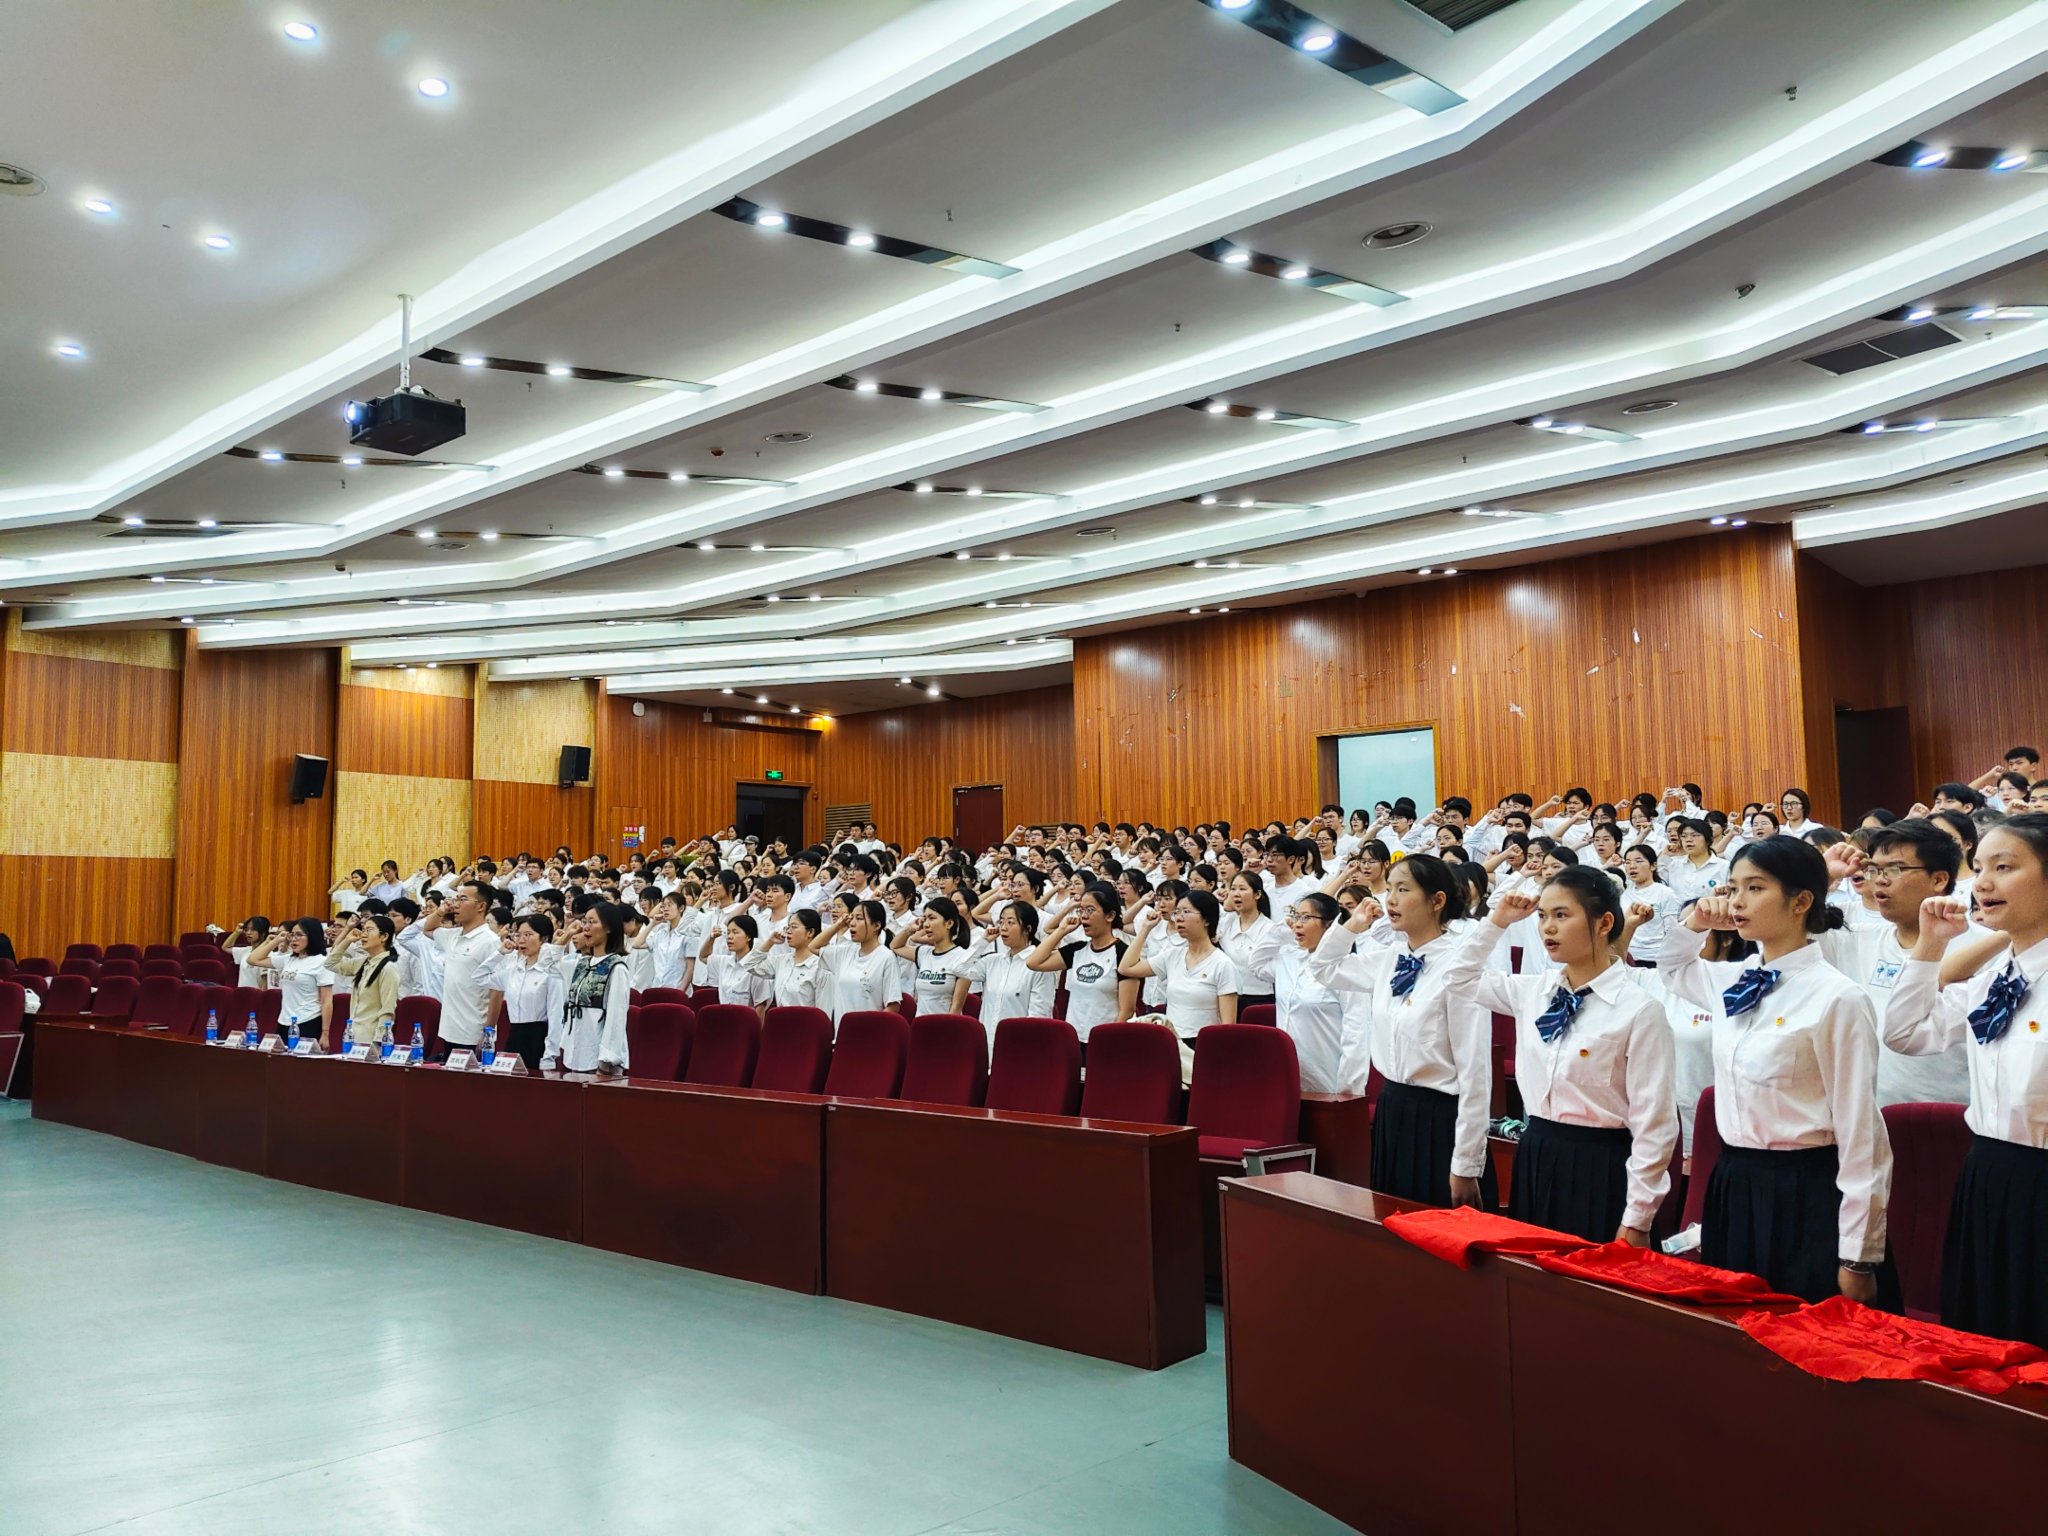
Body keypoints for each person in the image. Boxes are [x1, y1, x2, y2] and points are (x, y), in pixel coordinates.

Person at [1658, 837, 1896, 1306]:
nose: (1737, 901)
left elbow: (1861, 1133)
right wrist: (1696, 923)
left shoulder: (1838, 997)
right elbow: (1671, 967)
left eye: (1755, 888)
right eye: (1732, 888)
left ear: (1801, 902)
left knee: (1805, 1332)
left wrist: (1858, 1255)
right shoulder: (1733, 979)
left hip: (1805, 1191)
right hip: (1734, 1181)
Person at [1442, 869, 1677, 1244]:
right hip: (1537, 1154)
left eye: (1561, 915)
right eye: (1542, 916)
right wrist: (1497, 920)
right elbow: (1457, 978)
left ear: (1604, 923)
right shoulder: (1534, 992)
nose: (1547, 928)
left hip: (1602, 1168)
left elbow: (1655, 1125)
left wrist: (1638, 1218)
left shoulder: (1639, 1010)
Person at [1883, 813, 2048, 1346]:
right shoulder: (1995, 978)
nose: (1982, 883)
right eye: (1978, 868)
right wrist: (1931, 944)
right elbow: (1905, 1033)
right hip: (1987, 1177)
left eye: (2005, 867)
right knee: (1987, 1340)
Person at [1310, 854, 1495, 1208]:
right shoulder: (1390, 958)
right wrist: (1352, 926)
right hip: (1394, 1108)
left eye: (1403, 889)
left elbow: (1476, 1075)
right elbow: (1324, 969)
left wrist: (1466, 1162)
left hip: (1441, 1118)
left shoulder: (1460, 969)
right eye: (1390, 889)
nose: (1390, 899)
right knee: (1393, 1221)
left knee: (1441, 1226)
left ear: (1437, 901)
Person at [1816, 819, 1971, 1107]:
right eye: (1874, 869)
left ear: (1939, 880)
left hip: (1954, 1115)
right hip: (1872, 1114)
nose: (1880, 880)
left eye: (1894, 869)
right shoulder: (1859, 939)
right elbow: (1788, 935)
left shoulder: (1982, 947)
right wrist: (1823, 876)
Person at [396, 878, 502, 1062]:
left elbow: (497, 991)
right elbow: (428, 929)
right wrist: (440, 911)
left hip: (473, 1031)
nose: (457, 904)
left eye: (463, 899)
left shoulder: (490, 941)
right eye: (456, 899)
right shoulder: (452, 936)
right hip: (450, 1028)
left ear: (481, 906)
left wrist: (488, 1031)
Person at [1118, 888, 1239, 1042]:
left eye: (1186, 912)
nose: (1179, 918)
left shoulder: (1222, 964)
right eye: (1177, 913)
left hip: (1203, 1043)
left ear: (1207, 920)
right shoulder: (1173, 955)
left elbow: (1228, 1026)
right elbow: (1126, 968)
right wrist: (1145, 929)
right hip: (1171, 1041)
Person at [1025, 886, 1136, 1044]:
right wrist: (1062, 930)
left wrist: (1108, 1040)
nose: (1084, 916)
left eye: (1090, 910)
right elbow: (1033, 962)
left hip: (1105, 1040)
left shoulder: (1124, 953)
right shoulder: (1077, 950)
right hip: (1073, 1039)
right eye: (1081, 910)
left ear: (1110, 916)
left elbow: (1127, 1010)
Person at [542, 903, 629, 1076]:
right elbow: (546, 964)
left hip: (598, 1058)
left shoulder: (616, 967)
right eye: (584, 922)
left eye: (592, 922)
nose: (585, 927)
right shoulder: (581, 963)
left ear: (609, 928)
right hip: (575, 1051)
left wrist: (606, 1061)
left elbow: (616, 1017)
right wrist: (567, 934)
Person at [966, 899, 1057, 1042]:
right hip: (987, 1042)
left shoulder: (1039, 967)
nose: (1003, 928)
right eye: (1001, 922)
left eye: (1010, 922)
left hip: (1018, 1045)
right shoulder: (993, 961)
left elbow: (1038, 1017)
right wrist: (984, 941)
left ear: (1027, 929)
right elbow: (960, 969)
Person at [487, 913, 567, 1072]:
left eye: (528, 935)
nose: (521, 940)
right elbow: (479, 977)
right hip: (514, 1036)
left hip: (538, 1039)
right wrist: (499, 953)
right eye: (518, 935)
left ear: (544, 938)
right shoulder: (514, 970)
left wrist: (550, 1055)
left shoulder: (551, 972)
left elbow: (556, 1015)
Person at [800, 898, 899, 1023]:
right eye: (851, 918)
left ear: (876, 926)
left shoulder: (886, 957)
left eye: (859, 918)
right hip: (843, 1030)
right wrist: (838, 925)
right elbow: (813, 947)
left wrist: (874, 1028)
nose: (852, 923)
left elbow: (893, 1005)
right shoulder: (845, 952)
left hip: (870, 1030)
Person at [246, 917, 337, 1048]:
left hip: (308, 1020)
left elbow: (326, 1000)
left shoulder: (322, 963)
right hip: (284, 1020)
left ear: (312, 937)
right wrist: (276, 940)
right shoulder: (288, 960)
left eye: (299, 935)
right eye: (292, 935)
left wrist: (325, 1033)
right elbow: (252, 959)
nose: (294, 939)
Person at [325, 913, 401, 1048]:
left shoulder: (388, 968)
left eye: (369, 930)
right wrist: (348, 940)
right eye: (363, 930)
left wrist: (379, 1042)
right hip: (353, 1035)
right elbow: (330, 964)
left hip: (371, 1040)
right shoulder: (362, 962)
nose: (363, 935)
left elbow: (388, 1009)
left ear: (384, 936)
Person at [895, 897, 977, 1017]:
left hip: (945, 1024)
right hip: (921, 1023)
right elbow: (895, 946)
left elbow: (956, 1008)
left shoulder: (963, 958)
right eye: (925, 919)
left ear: (949, 923)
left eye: (932, 918)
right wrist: (910, 929)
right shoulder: (924, 953)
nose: (926, 924)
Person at [741, 908, 825, 1011]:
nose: (788, 932)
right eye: (787, 928)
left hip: (807, 1020)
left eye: (794, 927)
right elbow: (750, 965)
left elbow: (823, 1011)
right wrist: (770, 942)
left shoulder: (820, 966)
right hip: (782, 1019)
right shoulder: (782, 960)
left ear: (810, 932)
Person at [1217, 872, 1278, 1012]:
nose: (1236, 894)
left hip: (1260, 1000)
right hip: (1228, 997)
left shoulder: (1270, 930)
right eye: (1233, 889)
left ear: (1257, 894)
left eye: (1242, 889)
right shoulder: (1226, 924)